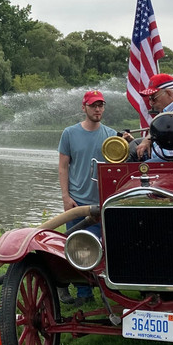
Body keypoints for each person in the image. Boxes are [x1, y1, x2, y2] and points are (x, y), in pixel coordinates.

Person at [57, 90, 130, 306]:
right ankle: (82, 292)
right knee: (76, 246)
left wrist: (130, 142)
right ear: (84, 108)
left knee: (101, 246)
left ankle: (107, 285)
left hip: (102, 202)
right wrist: (65, 196)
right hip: (77, 202)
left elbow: (123, 165)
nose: (98, 109)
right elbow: (63, 166)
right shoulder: (69, 134)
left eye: (101, 105)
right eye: (93, 106)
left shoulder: (111, 135)